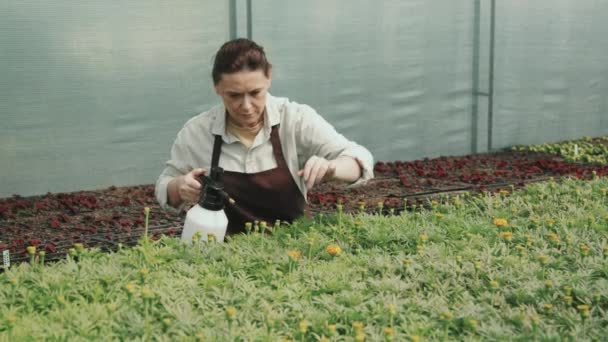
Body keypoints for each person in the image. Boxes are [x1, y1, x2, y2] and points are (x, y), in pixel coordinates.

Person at [155, 38, 374, 234]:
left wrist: (332, 168)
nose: (246, 106)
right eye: (234, 96)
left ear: (269, 78)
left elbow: (359, 159)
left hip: (294, 250)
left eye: (255, 93)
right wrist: (179, 187)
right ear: (217, 88)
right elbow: (165, 185)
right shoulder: (198, 132)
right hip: (219, 255)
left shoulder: (295, 119)